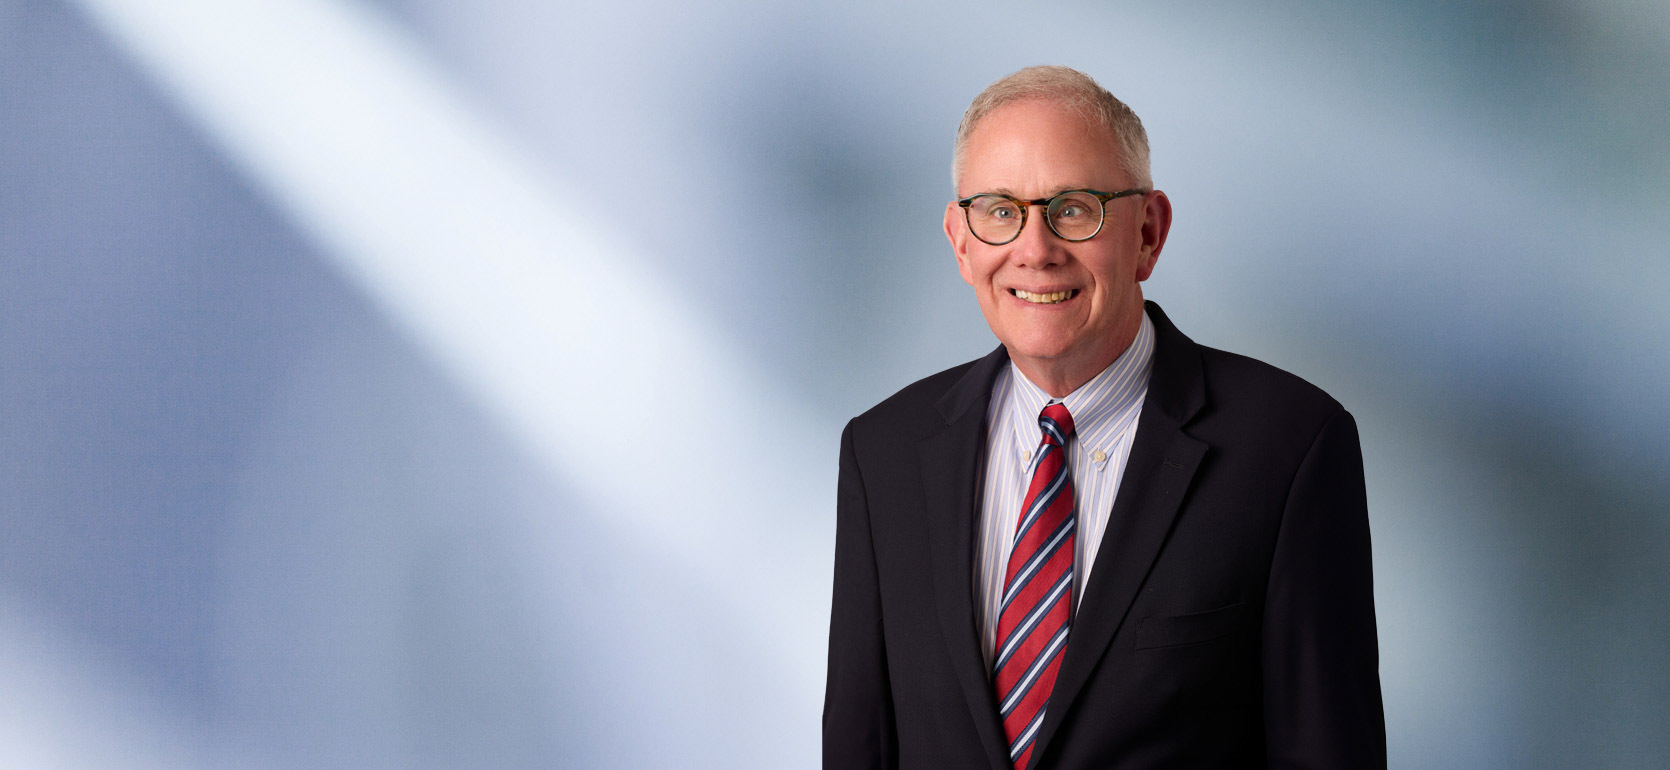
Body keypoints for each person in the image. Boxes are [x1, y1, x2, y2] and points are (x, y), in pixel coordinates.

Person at [823, 66, 1385, 769]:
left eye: (1074, 209)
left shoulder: (1290, 448)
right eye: (999, 211)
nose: (1035, 250)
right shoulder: (883, 454)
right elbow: (859, 748)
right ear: (961, 243)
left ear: (1148, 232)